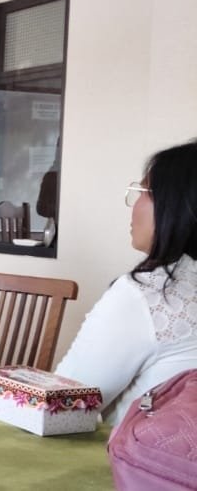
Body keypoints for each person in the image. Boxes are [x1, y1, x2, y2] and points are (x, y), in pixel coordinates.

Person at [55, 139, 197, 426]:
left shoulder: (148, 294)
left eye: (143, 192)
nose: (133, 206)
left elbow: (63, 406)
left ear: (174, 206)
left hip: (140, 456)